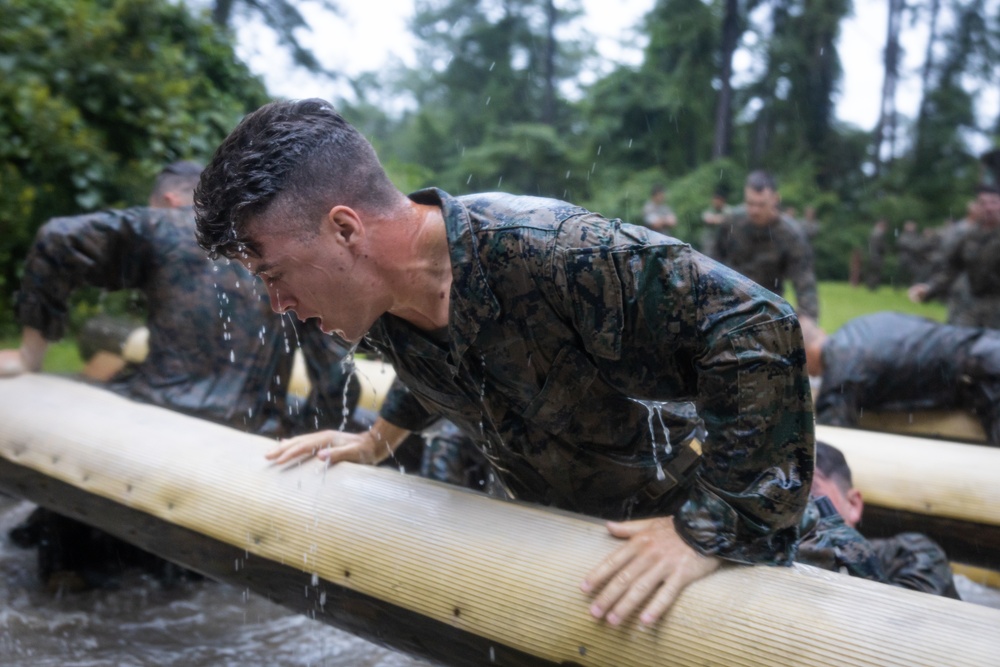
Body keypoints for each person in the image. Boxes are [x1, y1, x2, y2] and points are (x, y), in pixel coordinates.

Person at [192, 99, 882, 628]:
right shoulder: (376, 299)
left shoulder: (552, 252)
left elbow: (756, 324)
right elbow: (452, 360)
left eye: (275, 273)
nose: (276, 302)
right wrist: (376, 440)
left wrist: (710, 529)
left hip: (720, 537)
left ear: (345, 229)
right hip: (586, 547)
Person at [0, 161, 360, 589]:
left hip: (151, 433)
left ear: (171, 201)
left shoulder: (164, 225)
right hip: (250, 442)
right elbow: (337, 375)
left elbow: (59, 238)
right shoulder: (279, 249)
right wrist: (303, 435)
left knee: (57, 531)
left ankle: (65, 570)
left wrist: (29, 356)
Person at [800, 312, 1000, 445]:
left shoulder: (841, 370)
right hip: (989, 350)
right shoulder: (857, 327)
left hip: (987, 376)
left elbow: (830, 446)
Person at [812, 441, 959, 597]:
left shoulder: (911, 554)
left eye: (809, 496)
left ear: (853, 504)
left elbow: (909, 616)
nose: (798, 512)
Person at [713, 171, 820, 319]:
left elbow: (804, 280)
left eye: (761, 204)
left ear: (775, 199)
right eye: (750, 203)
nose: (754, 211)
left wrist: (807, 319)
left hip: (766, 309)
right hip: (727, 303)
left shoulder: (791, 235)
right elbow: (713, 261)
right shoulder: (732, 222)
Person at [909, 185, 1000, 328]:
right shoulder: (970, 236)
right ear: (976, 207)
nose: (988, 208)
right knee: (959, 341)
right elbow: (952, 269)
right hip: (974, 307)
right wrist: (929, 288)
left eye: (994, 202)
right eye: (983, 203)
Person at [699, 190, 730, 258]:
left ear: (722, 200)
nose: (715, 202)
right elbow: (707, 219)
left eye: (718, 200)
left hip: (724, 246)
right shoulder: (710, 210)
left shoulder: (728, 210)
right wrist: (719, 219)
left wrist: (718, 219)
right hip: (710, 247)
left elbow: (728, 220)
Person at [865, 219, 888, 290]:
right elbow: (881, 247)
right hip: (876, 256)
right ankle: (873, 287)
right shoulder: (879, 235)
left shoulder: (873, 233)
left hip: (872, 255)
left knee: (872, 272)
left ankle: (870, 286)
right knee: (876, 272)